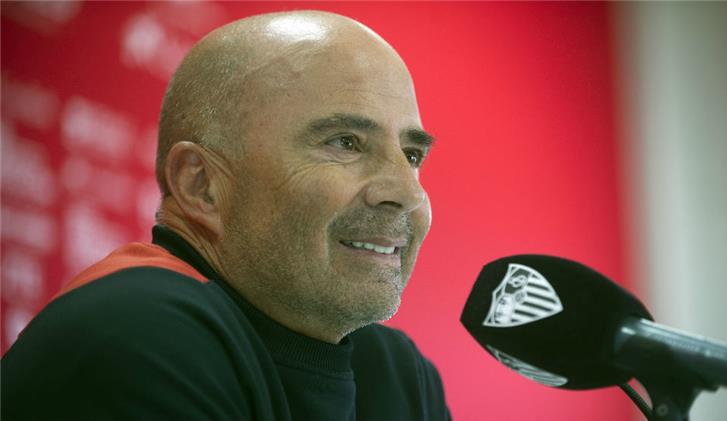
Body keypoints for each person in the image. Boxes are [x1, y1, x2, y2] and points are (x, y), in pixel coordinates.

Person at [2, 10, 451, 421]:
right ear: (201, 185)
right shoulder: (137, 333)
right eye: (345, 143)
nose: (407, 194)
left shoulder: (396, 375)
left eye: (412, 155)